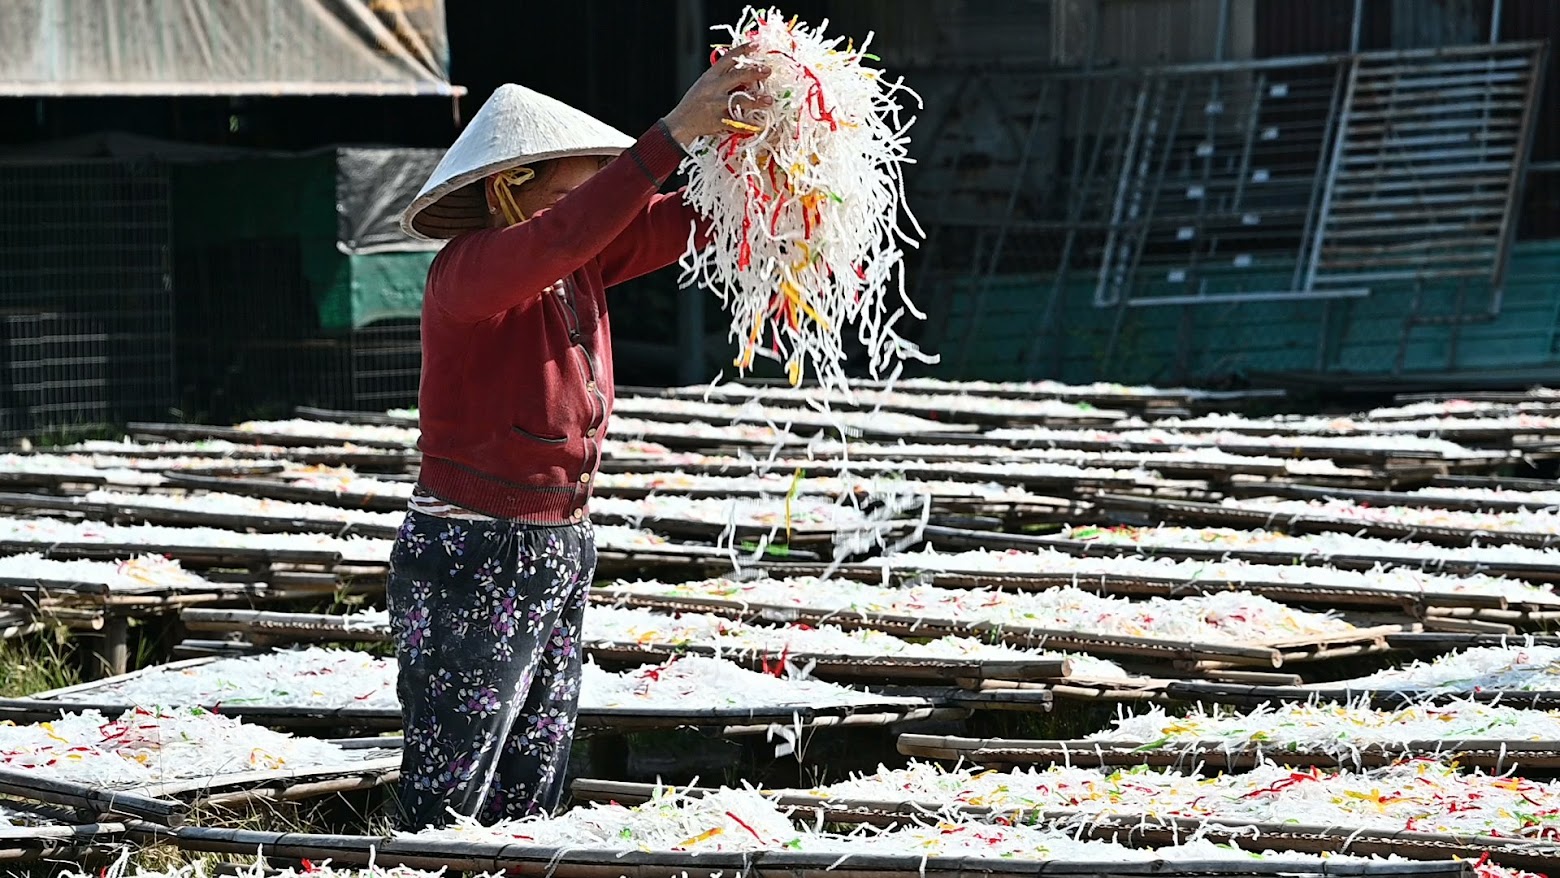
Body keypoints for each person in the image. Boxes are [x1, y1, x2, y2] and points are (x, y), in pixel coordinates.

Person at [391, 47, 770, 830]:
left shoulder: (577, 260)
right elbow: (571, 231)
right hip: (476, 551)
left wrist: (764, 157)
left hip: (561, 540)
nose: (599, 212)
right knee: (452, 779)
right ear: (508, 191)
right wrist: (673, 132)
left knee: (536, 772)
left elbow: (684, 221)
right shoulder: (469, 273)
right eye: (575, 190)